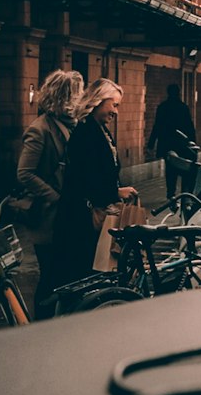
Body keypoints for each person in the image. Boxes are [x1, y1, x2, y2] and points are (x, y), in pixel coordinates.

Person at [50, 79, 138, 304]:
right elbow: (85, 177)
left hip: (89, 215)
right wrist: (115, 192)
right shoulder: (86, 132)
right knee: (81, 274)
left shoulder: (99, 130)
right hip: (81, 218)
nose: (116, 112)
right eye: (114, 105)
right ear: (98, 101)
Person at [16, 69, 85, 319]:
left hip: (67, 216)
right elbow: (25, 173)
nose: (74, 104)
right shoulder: (40, 130)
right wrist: (56, 197)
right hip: (49, 217)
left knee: (68, 274)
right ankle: (42, 324)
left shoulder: (74, 126)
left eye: (76, 97)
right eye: (69, 98)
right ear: (56, 99)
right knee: (51, 275)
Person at [147, 82, 197, 202]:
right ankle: (185, 193)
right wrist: (193, 141)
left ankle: (171, 194)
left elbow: (157, 126)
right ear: (178, 93)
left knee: (170, 169)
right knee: (185, 168)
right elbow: (189, 126)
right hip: (181, 144)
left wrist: (151, 143)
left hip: (167, 144)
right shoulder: (183, 107)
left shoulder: (162, 107)